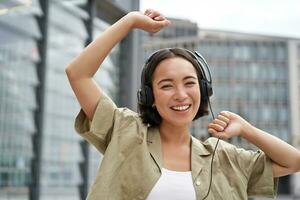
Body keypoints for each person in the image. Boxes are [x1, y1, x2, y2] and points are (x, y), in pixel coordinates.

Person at [65, 9, 300, 200]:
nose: (180, 94)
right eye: (166, 86)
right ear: (150, 96)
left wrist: (246, 129)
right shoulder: (125, 130)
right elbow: (78, 73)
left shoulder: (223, 157)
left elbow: (294, 161)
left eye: (189, 83)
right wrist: (130, 21)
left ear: (203, 90)